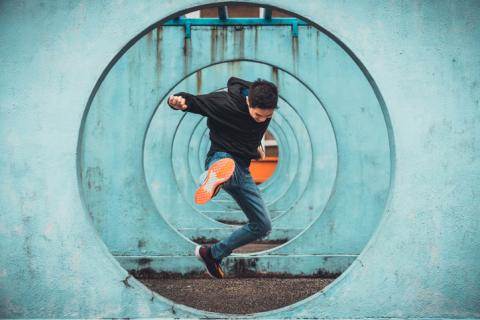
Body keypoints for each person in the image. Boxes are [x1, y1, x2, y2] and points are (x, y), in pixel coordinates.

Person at [167, 77, 278, 279]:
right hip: (221, 156)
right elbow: (192, 101)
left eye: (267, 116)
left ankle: (212, 254)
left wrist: (257, 149)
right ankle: (210, 178)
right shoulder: (224, 102)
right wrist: (178, 102)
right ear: (248, 103)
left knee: (262, 226)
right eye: (258, 115)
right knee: (227, 166)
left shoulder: (264, 107)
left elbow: (250, 133)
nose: (261, 120)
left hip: (242, 169)